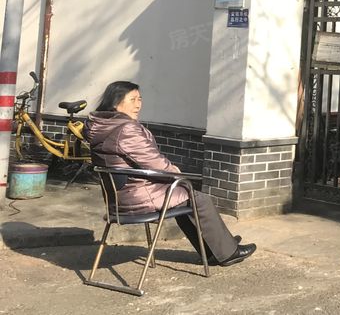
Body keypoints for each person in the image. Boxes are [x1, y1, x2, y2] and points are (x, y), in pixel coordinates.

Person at [84, 81, 256, 267]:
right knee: (198, 198)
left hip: (120, 198)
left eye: (140, 99)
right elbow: (154, 162)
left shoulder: (103, 126)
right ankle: (228, 252)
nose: (138, 104)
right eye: (132, 99)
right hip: (138, 197)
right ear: (115, 103)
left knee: (182, 197)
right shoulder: (126, 129)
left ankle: (216, 248)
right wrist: (174, 171)